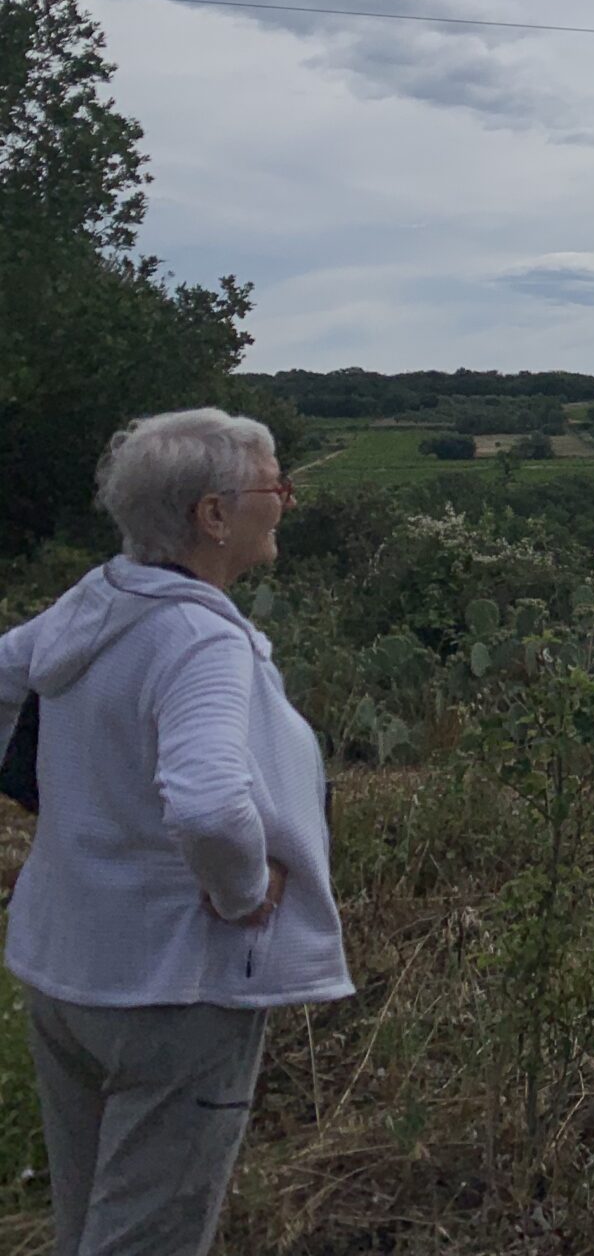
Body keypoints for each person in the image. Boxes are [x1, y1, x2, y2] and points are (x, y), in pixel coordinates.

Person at [0, 408, 352, 1256]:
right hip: (172, 988)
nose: (289, 502)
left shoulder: (95, 602)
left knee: (87, 1223)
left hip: (69, 971)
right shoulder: (199, 640)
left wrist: (64, 809)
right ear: (213, 515)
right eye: (276, 485)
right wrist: (240, 893)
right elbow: (206, 803)